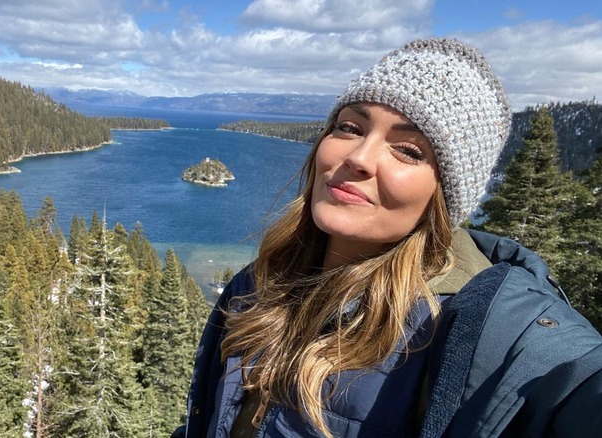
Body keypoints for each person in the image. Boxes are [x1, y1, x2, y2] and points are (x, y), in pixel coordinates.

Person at [172, 38, 602, 437]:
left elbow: (571, 382)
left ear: (444, 193)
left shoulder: (482, 331)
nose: (358, 158)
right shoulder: (261, 282)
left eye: (409, 150)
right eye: (350, 127)